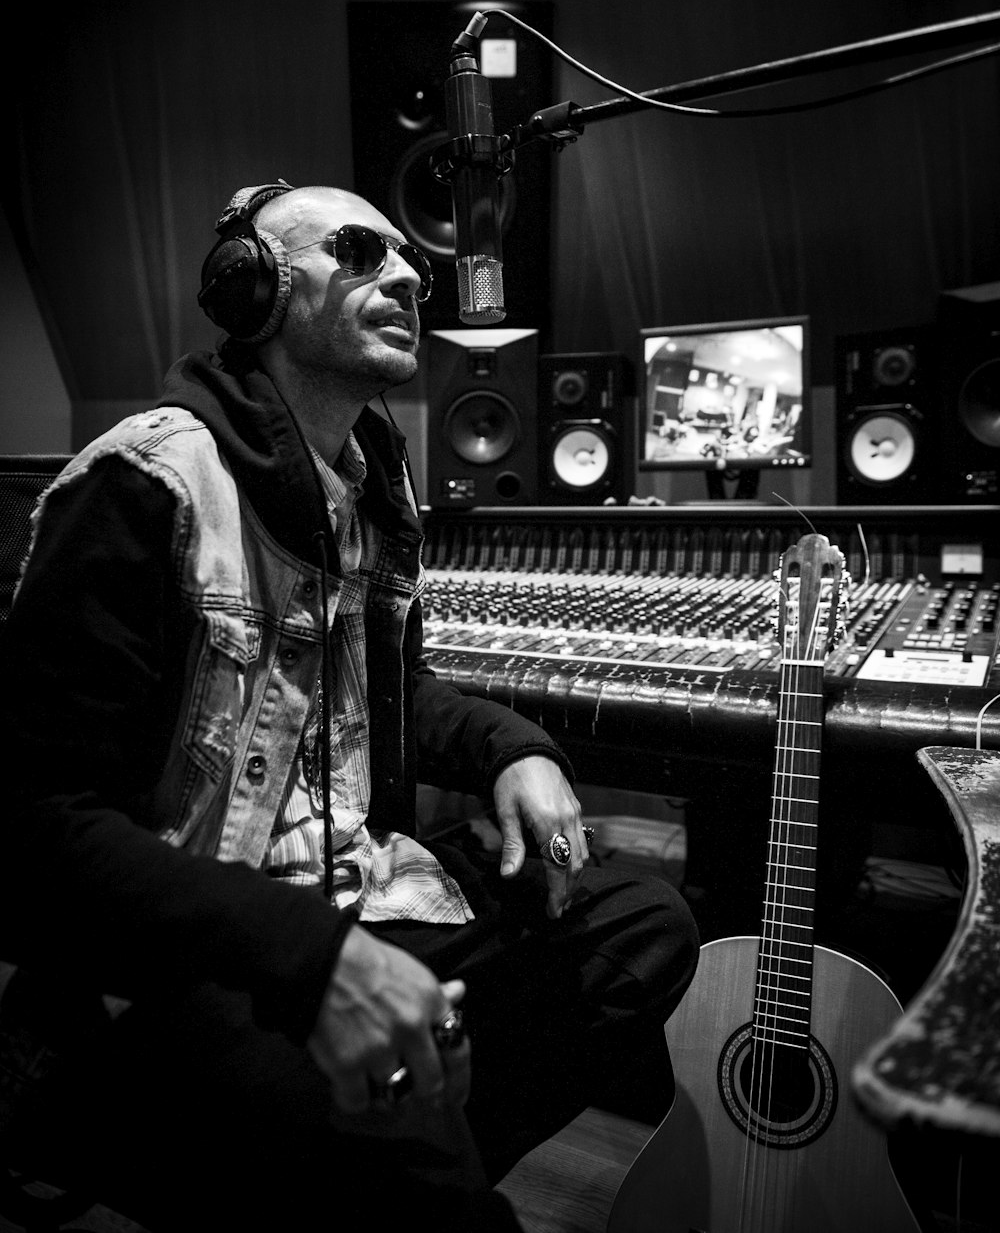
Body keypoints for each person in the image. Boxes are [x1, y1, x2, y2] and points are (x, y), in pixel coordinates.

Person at [0, 181, 698, 1231]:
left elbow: (381, 694)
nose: (410, 275)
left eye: (409, 261)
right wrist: (316, 962)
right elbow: (32, 829)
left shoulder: (368, 484)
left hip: (352, 899)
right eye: (359, 251)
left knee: (641, 920)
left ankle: (386, 1160)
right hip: (178, 963)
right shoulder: (145, 482)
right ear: (254, 291)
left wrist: (516, 750)